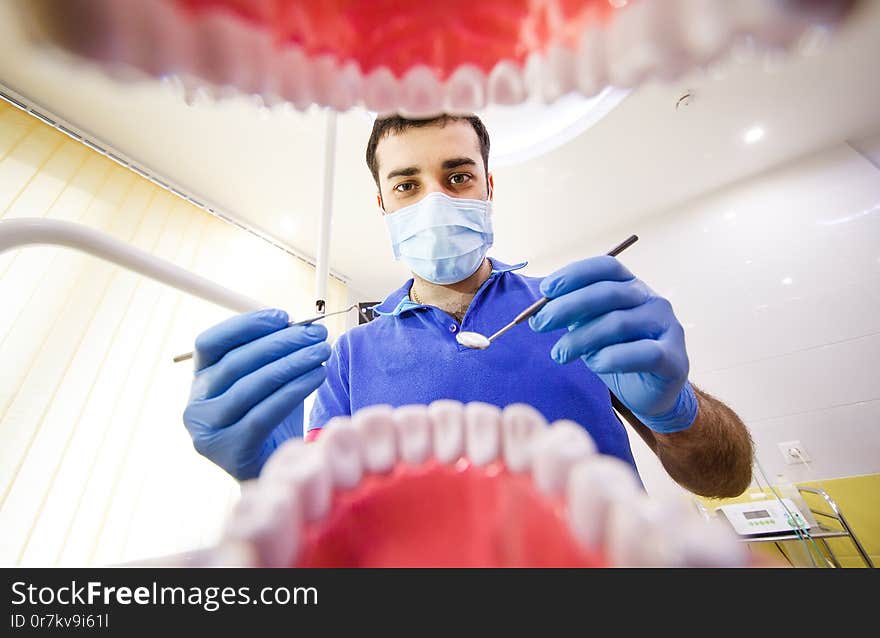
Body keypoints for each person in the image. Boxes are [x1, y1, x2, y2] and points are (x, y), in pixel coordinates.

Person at [183, 113, 753, 498]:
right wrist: (270, 485)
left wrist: (678, 413)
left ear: (488, 187)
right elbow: (327, 527)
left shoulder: (576, 310)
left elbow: (725, 479)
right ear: (382, 202)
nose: (435, 200)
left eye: (457, 176)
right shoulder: (349, 357)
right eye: (407, 185)